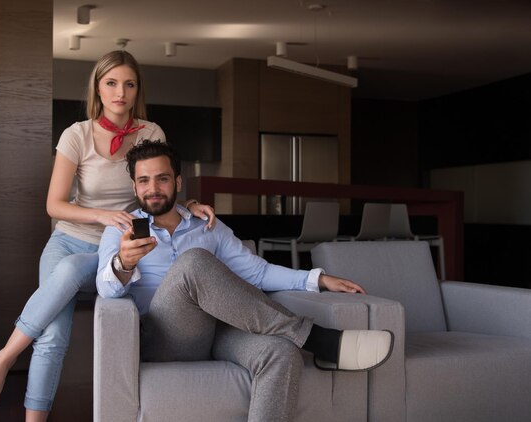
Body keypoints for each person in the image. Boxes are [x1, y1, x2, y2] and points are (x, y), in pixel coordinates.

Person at [0, 50, 216, 421]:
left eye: (129, 84)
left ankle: (4, 356)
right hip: (69, 240)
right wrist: (102, 214)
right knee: (52, 337)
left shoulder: (151, 133)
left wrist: (189, 203)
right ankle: (6, 374)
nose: (121, 92)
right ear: (97, 89)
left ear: (137, 90)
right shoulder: (77, 135)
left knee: (69, 272)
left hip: (113, 249)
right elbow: (54, 205)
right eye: (111, 83)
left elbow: (160, 186)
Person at [96, 140, 394, 422]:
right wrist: (124, 263)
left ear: (178, 182)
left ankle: (304, 340)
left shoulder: (207, 225)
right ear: (135, 187)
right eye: (144, 181)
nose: (153, 189)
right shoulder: (120, 230)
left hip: (217, 332)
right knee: (194, 262)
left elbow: (257, 272)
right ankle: (318, 339)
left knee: (282, 352)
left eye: (162, 179)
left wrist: (318, 279)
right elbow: (106, 290)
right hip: (164, 339)